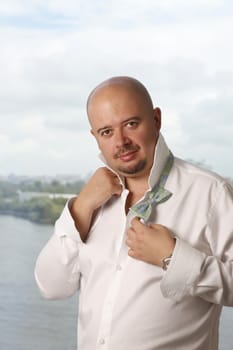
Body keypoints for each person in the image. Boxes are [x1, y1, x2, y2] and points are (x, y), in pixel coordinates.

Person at [35, 76, 233, 350]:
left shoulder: (211, 193)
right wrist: (80, 208)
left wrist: (173, 258)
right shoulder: (92, 202)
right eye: (106, 132)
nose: (121, 141)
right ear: (96, 137)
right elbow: (51, 286)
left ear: (156, 120)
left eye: (131, 124)